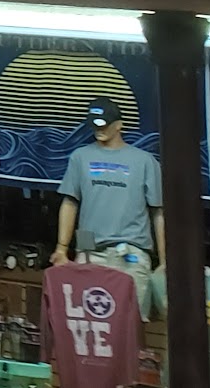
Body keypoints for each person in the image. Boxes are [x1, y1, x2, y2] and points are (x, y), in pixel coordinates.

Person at [52, 95, 163, 316]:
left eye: (104, 124)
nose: (98, 129)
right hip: (90, 251)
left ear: (119, 125)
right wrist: (61, 249)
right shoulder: (80, 157)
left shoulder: (144, 161)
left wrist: (164, 261)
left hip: (132, 254)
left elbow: (158, 212)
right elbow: (70, 202)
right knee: (90, 320)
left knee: (131, 322)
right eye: (94, 124)